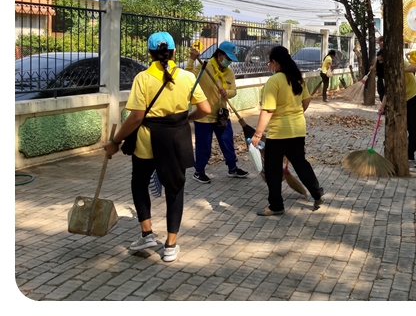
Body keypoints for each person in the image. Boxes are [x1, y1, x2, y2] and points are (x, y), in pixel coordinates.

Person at [104, 32, 210, 263]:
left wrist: (115, 141)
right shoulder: (187, 77)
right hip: (177, 140)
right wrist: (185, 118)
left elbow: (136, 117)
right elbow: (205, 109)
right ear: (174, 52)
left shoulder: (142, 78)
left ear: (150, 54)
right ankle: (170, 245)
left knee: (139, 183)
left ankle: (147, 234)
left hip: (147, 141)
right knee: (175, 189)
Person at [249, 46, 325, 216]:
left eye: (269, 62)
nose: (269, 65)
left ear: (275, 62)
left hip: (278, 133)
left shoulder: (274, 81)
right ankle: (317, 194)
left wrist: (258, 134)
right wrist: (295, 114)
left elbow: (268, 110)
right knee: (301, 164)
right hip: (298, 129)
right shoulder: (297, 78)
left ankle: (276, 205)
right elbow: (306, 101)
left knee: (272, 169)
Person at [186, 41, 249, 183]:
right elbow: (187, 77)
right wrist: (191, 59)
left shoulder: (229, 72)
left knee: (227, 142)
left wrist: (227, 92)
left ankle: (232, 168)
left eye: (231, 59)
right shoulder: (204, 66)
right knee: (204, 145)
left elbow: (234, 90)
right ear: (219, 55)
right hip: (204, 115)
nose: (229, 62)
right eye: (228, 58)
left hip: (222, 115)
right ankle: (199, 171)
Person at [377, 51, 416, 168]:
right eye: (379, 60)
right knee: (409, 127)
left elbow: (414, 68)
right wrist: (382, 107)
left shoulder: (400, 63)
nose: (381, 63)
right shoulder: (386, 75)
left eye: (382, 60)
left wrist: (400, 70)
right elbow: (387, 92)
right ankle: (410, 154)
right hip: (406, 101)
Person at [369, 36, 385, 102]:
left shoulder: (385, 51)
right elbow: (378, 61)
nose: (378, 44)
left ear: (382, 41)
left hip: (384, 76)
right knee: (380, 91)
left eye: (379, 42)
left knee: (382, 92)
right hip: (380, 76)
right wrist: (374, 67)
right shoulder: (380, 50)